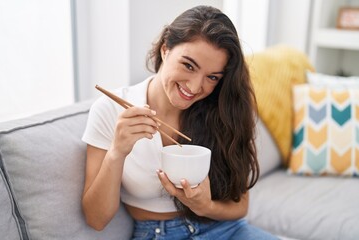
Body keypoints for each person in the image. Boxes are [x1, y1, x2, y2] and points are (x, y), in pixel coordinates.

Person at [81, 5, 278, 240]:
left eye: (212, 77)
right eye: (188, 65)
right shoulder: (110, 110)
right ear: (165, 49)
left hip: (224, 229)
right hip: (156, 233)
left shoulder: (224, 112)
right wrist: (117, 152)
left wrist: (205, 206)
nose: (195, 87)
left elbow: (240, 207)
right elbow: (96, 219)